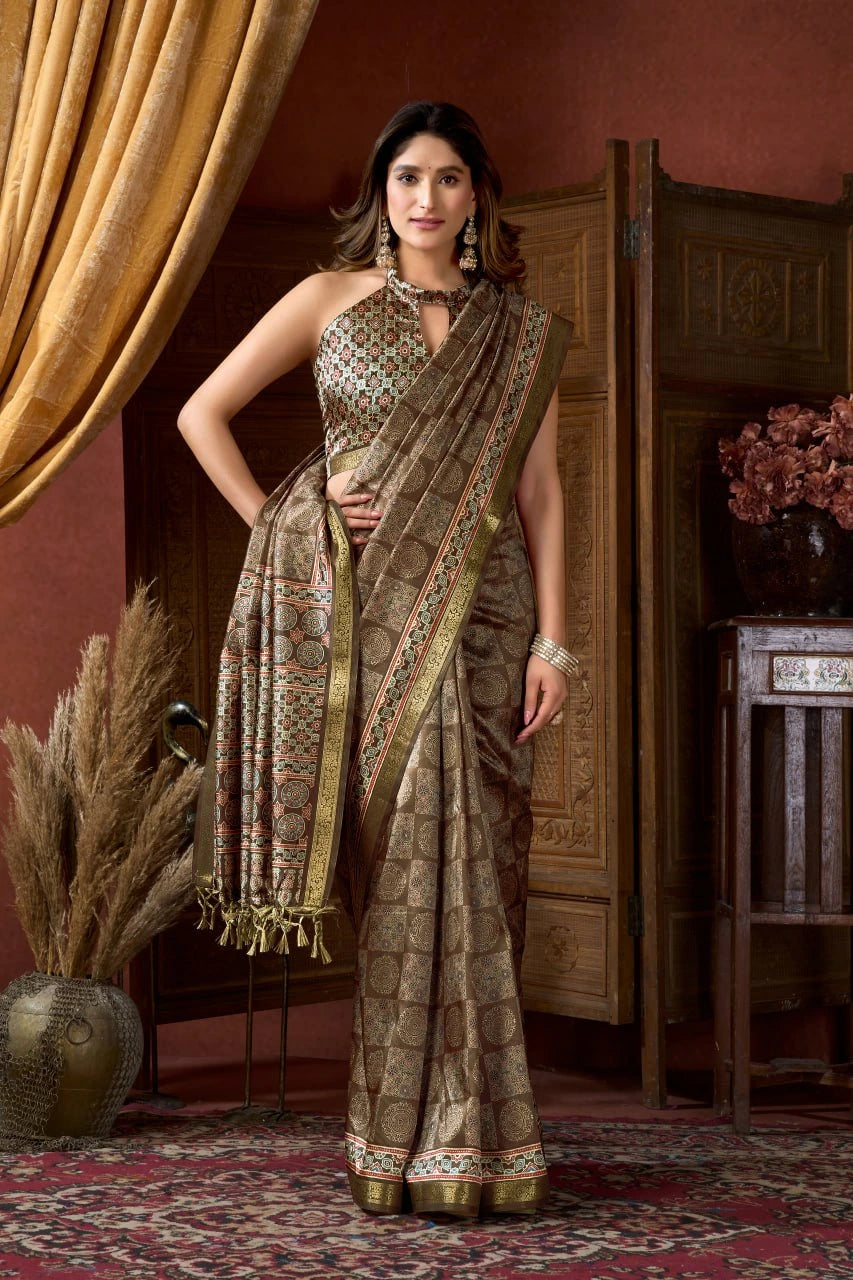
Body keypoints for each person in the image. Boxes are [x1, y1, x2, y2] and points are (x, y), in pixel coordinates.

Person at [180, 101, 574, 1218]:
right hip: (362, 619)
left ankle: (489, 1143)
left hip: (490, 622)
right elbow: (203, 414)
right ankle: (395, 1139)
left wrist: (555, 639)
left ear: (477, 198)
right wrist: (288, 515)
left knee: (485, 865)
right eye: (407, 176)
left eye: (449, 178)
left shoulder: (520, 329)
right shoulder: (326, 301)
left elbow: (541, 495)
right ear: (378, 191)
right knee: (398, 869)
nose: (425, 199)